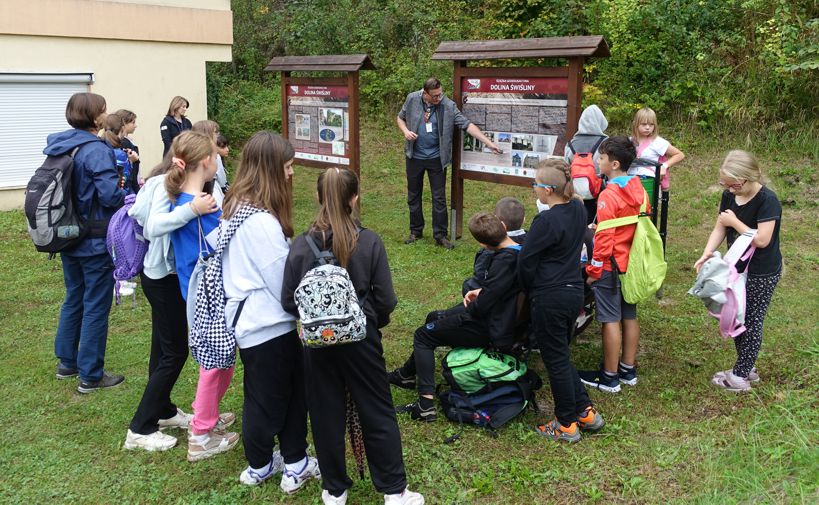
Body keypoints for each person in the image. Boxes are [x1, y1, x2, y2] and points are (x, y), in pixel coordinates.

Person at [282, 168, 424, 505]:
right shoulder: (368, 241)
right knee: (376, 408)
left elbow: (289, 299)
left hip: (317, 343)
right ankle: (393, 490)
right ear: (354, 198)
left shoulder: (301, 246)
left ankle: (334, 489)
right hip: (362, 339)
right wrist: (374, 322)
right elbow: (386, 297)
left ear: (318, 197)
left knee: (324, 411)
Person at [123, 139, 219, 451]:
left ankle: (161, 410)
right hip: (162, 278)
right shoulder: (164, 184)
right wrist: (193, 209)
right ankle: (140, 428)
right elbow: (152, 226)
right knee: (175, 352)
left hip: (165, 276)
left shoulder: (169, 180)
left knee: (162, 348)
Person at [390, 212, 521, 422]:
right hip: (498, 317)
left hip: (486, 327)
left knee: (423, 336)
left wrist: (478, 297)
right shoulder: (520, 250)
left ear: (482, 243)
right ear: (504, 227)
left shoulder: (503, 261)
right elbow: (499, 290)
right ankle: (406, 375)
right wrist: (481, 292)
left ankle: (425, 404)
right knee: (434, 317)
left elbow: (482, 307)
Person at [165, 131, 239, 461]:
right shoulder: (200, 207)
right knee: (214, 363)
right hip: (208, 295)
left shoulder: (182, 201)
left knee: (222, 359)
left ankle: (206, 414)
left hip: (195, 291)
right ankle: (201, 434)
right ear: (207, 162)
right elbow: (222, 245)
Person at [518, 159, 604, 442]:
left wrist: (529, 288)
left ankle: (566, 423)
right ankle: (585, 411)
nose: (534, 190)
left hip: (550, 296)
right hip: (573, 293)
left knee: (554, 360)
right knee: (560, 355)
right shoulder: (578, 209)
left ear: (548, 190)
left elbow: (526, 261)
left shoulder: (545, 220)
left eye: (535, 185)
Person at [47, 92, 126, 393]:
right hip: (92, 238)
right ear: (96, 118)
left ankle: (67, 362)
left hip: (66, 236)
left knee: (74, 296)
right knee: (95, 303)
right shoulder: (96, 150)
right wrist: (125, 194)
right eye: (104, 110)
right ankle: (91, 375)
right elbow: (109, 196)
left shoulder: (60, 146)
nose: (107, 114)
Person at [694, 150, 782, 392]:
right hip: (736, 269)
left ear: (748, 177)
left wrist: (735, 222)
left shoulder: (767, 200)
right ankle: (746, 365)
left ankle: (740, 376)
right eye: (726, 185)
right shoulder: (729, 196)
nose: (730, 190)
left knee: (752, 321)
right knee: (735, 316)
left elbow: (762, 240)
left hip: (762, 271)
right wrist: (707, 253)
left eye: (733, 185)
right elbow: (719, 227)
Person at [396, 77, 502, 249]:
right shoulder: (412, 99)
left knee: (439, 198)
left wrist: (489, 143)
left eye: (440, 94)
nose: (439, 98)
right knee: (413, 195)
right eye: (435, 96)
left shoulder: (448, 105)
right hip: (414, 156)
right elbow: (400, 118)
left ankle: (440, 235)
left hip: (437, 159)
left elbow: (467, 125)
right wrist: (406, 131)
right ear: (425, 94)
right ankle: (415, 231)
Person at [578, 136, 647, 393]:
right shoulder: (639, 187)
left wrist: (594, 271)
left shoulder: (609, 194)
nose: (598, 160)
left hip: (610, 265)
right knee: (629, 315)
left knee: (610, 319)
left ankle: (609, 377)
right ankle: (627, 369)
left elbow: (605, 239)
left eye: (602, 157)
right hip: (632, 262)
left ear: (614, 163)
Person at [461, 196, 526, 296]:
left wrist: (466, 286)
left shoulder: (491, 251)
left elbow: (480, 285)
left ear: (498, 222)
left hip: (498, 303)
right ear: (524, 220)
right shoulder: (532, 242)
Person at [564, 105, 608, 223]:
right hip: (598, 192)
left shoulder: (571, 143)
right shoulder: (606, 143)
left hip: (575, 192)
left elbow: (566, 167)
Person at [628, 107, 685, 192]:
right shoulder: (629, 141)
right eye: (644, 124)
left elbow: (680, 155)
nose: (647, 127)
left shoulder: (658, 142)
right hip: (629, 181)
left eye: (651, 124)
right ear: (636, 124)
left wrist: (664, 166)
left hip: (648, 182)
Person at [101, 114, 140, 195]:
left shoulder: (101, 147)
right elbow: (124, 182)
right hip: (120, 198)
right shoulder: (120, 154)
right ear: (122, 128)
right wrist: (130, 162)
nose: (135, 125)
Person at [191, 120, 224, 205]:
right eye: (216, 133)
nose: (218, 135)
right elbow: (220, 174)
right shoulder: (212, 152)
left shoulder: (190, 151)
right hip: (211, 188)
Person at [114, 109, 142, 192]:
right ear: (124, 124)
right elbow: (126, 169)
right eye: (133, 122)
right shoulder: (124, 143)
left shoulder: (128, 141)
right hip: (129, 186)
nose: (135, 125)